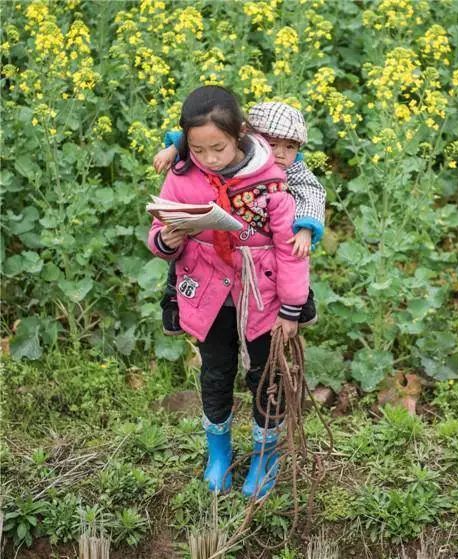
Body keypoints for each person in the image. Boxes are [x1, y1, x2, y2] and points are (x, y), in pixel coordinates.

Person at [147, 85, 308, 499]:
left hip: (262, 296)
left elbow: (290, 252)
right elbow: (157, 235)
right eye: (198, 151)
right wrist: (168, 235)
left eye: (217, 148)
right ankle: (218, 452)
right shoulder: (182, 176)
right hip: (208, 295)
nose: (209, 159)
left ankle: (265, 454)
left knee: (265, 375)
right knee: (215, 371)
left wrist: (290, 310)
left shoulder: (272, 181)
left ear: (239, 133)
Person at [153, 102, 325, 336]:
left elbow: (312, 194)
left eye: (290, 147)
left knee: (291, 254)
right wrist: (173, 150)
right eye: (272, 144)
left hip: (275, 237)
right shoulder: (227, 156)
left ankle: (300, 302)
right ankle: (174, 296)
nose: (280, 154)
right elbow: (200, 135)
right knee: (192, 244)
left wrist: (305, 227)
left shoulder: (293, 169)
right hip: (216, 249)